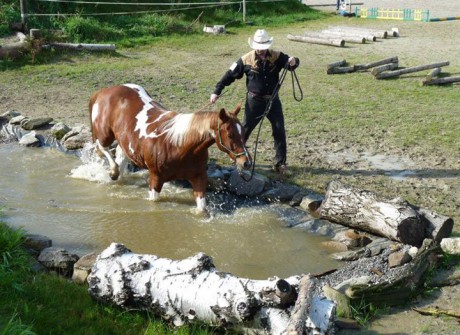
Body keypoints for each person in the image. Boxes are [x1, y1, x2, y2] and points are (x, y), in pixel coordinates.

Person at [210, 29, 299, 174]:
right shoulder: (245, 60)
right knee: (244, 130)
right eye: (258, 46)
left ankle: (280, 164)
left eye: (263, 47)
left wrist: (294, 61)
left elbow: (291, 64)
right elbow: (229, 74)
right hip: (254, 102)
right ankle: (237, 157)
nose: (261, 50)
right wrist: (216, 91)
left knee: (279, 130)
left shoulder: (277, 56)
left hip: (273, 101)